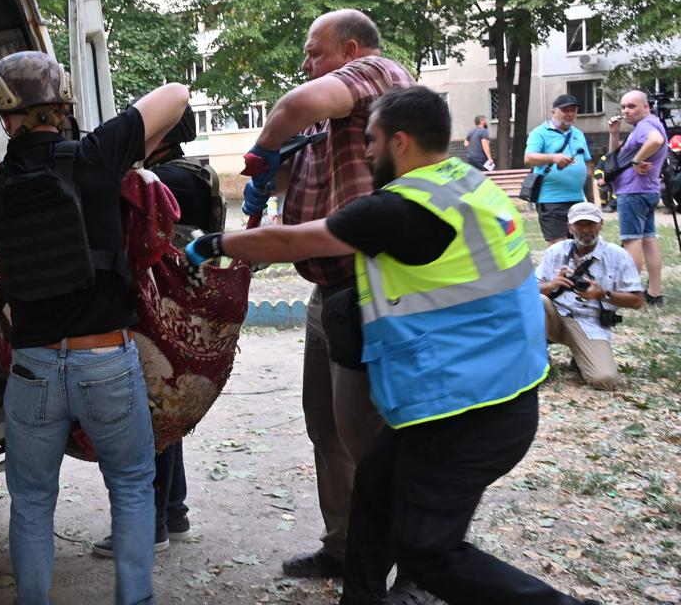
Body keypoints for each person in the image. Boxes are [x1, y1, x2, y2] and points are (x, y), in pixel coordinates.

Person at [187, 85, 599, 605]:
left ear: (400, 141)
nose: (365, 151)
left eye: (372, 140)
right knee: (375, 498)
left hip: (468, 410)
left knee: (429, 551)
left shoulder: (398, 209)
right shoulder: (469, 182)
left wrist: (211, 244)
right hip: (488, 391)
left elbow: (290, 239)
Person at [0, 50, 189, 605]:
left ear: (7, 116)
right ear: (62, 105)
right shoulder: (95, 157)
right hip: (105, 363)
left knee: (30, 501)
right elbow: (177, 94)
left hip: (33, 370)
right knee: (130, 487)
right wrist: (116, 136)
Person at [240, 9, 422, 592]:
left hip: (377, 290)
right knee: (328, 428)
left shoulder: (381, 74)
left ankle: (421, 564)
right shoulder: (335, 120)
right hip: (330, 294)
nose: (304, 64)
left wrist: (259, 153)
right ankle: (344, 548)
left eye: (313, 53)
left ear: (348, 50)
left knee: (377, 437)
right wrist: (279, 175)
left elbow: (292, 107)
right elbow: (308, 195)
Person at [90, 105, 218, 559]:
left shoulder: (164, 180)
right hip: (182, 309)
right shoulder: (193, 175)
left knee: (150, 415)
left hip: (160, 309)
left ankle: (151, 525)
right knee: (166, 414)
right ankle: (175, 511)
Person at [536, 203, 644, 390]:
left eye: (591, 224)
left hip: (591, 323)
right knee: (538, 301)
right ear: (570, 228)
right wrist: (552, 285)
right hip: (557, 316)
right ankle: (538, 363)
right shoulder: (556, 252)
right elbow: (529, 290)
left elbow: (637, 301)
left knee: (604, 380)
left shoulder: (618, 255)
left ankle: (580, 357)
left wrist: (603, 294)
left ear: (601, 224)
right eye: (580, 225)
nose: (586, 230)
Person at [608, 90, 668, 306]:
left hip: (634, 192)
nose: (625, 111)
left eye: (631, 106)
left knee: (632, 241)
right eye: (623, 106)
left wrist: (636, 161)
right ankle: (654, 292)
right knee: (649, 241)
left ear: (646, 107)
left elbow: (656, 140)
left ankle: (630, 293)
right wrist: (614, 134)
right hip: (647, 191)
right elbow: (616, 159)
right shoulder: (646, 125)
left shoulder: (646, 126)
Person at [524, 94, 594, 244]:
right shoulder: (540, 133)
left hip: (577, 200)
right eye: (565, 110)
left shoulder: (578, 134)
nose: (570, 114)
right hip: (551, 201)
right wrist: (553, 158)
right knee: (559, 248)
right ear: (553, 111)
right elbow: (529, 158)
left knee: (581, 245)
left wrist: (591, 201)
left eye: (573, 110)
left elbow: (587, 168)